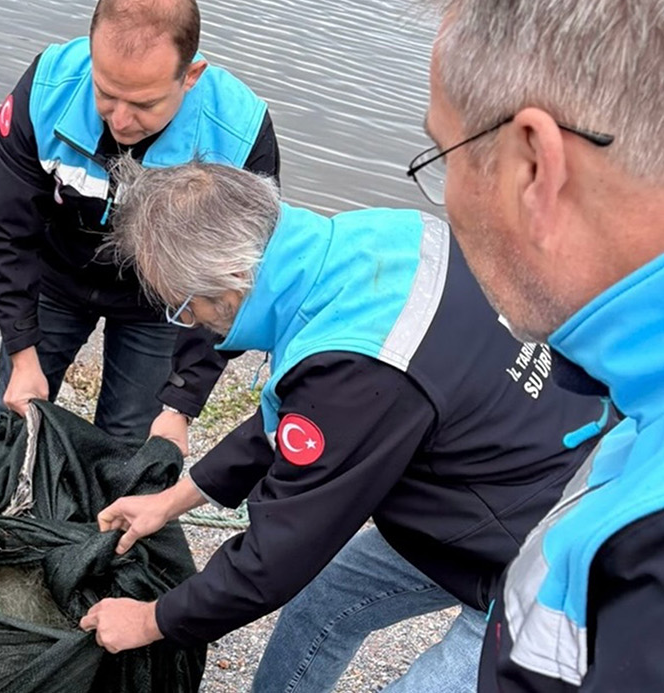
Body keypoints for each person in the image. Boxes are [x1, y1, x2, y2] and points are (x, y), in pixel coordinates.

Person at [76, 160, 609, 692]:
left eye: (184, 308)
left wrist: (151, 620)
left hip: (561, 560)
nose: (190, 323)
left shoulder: (355, 372)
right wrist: (172, 500)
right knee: (324, 604)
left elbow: (279, 553)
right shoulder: (366, 240)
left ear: (234, 279)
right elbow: (297, 417)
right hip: (517, 473)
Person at [416, 1, 664, 689]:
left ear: (534, 167)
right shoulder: (636, 393)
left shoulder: (649, 562)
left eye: (441, 156)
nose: (447, 198)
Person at [0, 0, 279, 456]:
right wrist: (21, 352)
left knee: (126, 445)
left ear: (190, 76)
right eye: (106, 93)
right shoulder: (47, 90)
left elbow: (230, 285)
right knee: (12, 420)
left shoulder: (238, 137)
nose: (119, 120)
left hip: (161, 304)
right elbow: (7, 232)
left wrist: (182, 402)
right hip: (55, 275)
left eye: (144, 104)